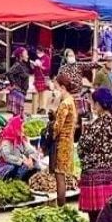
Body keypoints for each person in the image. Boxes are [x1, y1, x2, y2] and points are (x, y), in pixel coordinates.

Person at [77, 88, 112, 222]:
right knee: (110, 215)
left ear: (98, 104)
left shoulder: (95, 126)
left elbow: (81, 148)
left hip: (93, 177)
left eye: (93, 103)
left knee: (95, 217)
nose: (93, 106)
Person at [50, 76, 78, 206]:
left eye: (56, 87)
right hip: (69, 141)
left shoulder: (64, 104)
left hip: (61, 143)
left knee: (59, 175)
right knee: (63, 175)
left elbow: (57, 127)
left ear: (62, 87)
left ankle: (61, 206)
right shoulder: (71, 100)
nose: (55, 90)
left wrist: (50, 132)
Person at [0, 115, 38, 182]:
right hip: (7, 167)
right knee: (21, 168)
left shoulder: (20, 140)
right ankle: (15, 180)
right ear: (16, 128)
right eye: (22, 127)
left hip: (18, 163)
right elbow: (7, 157)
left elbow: (30, 150)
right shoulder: (6, 142)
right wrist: (22, 161)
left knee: (36, 164)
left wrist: (31, 159)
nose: (23, 129)